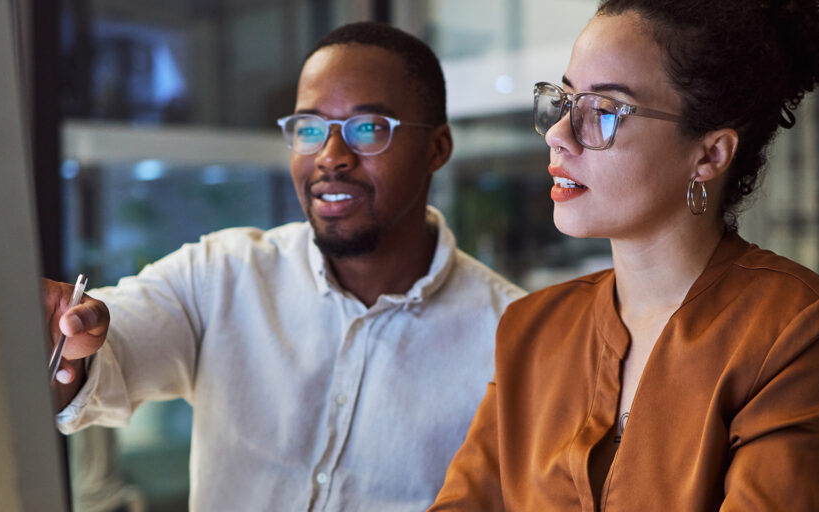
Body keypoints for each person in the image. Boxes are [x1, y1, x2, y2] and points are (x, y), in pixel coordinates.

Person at [44, 21, 524, 511]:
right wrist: (72, 340)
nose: (331, 157)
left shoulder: (515, 338)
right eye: (310, 129)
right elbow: (114, 349)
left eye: (367, 129)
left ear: (437, 148)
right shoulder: (223, 274)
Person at [430, 1, 819, 510]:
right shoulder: (532, 331)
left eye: (602, 111)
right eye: (564, 99)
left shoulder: (794, 331)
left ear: (709, 155)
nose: (558, 134)